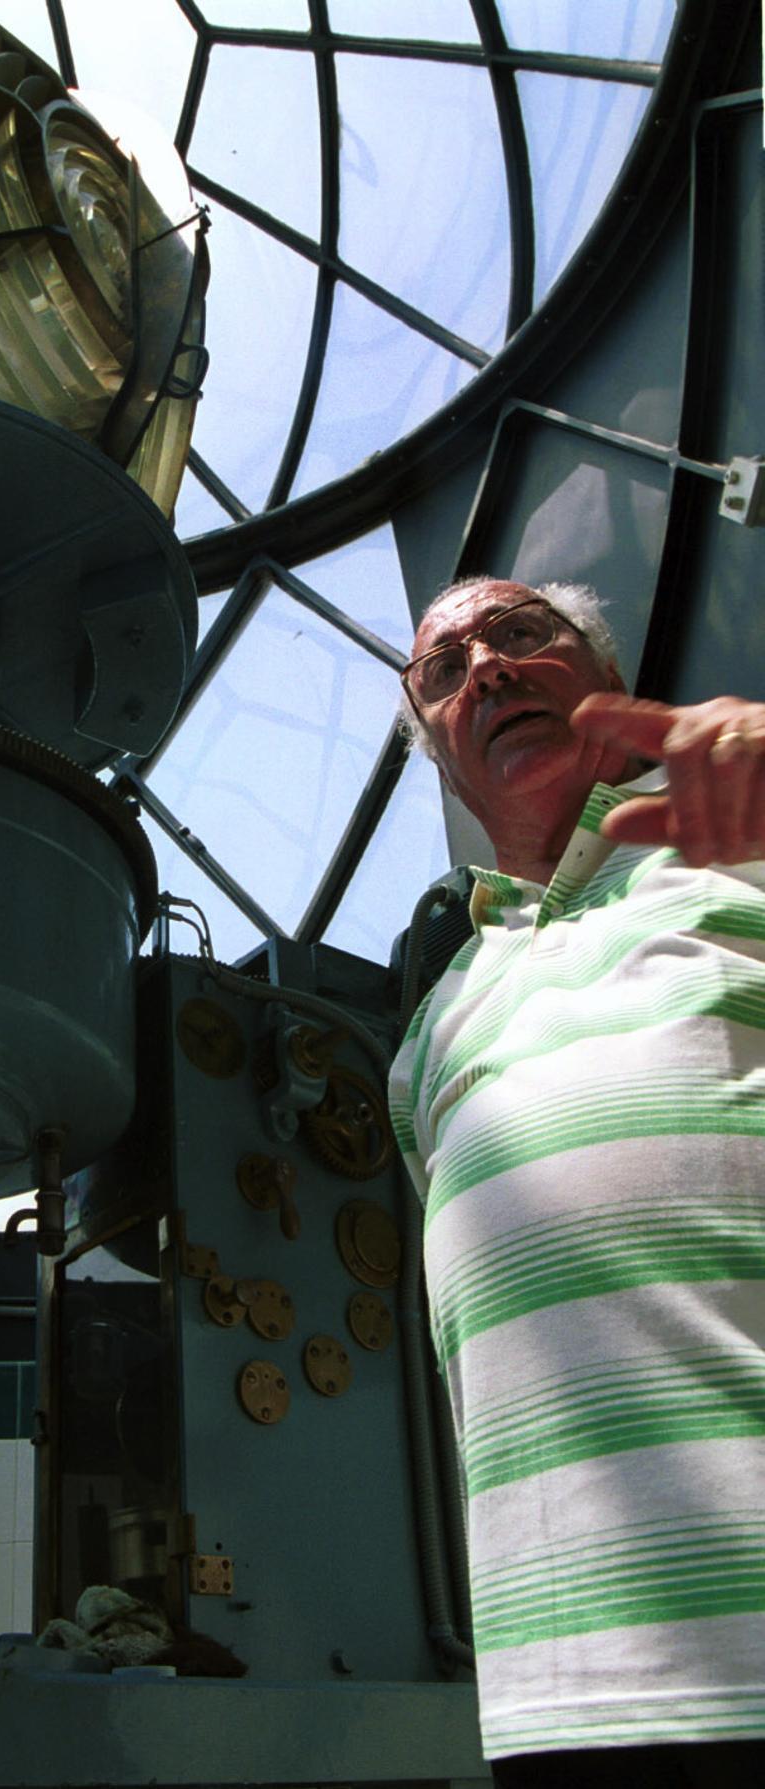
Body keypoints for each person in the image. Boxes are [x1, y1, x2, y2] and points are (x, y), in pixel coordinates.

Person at [387, 576, 765, 1789]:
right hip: (561, 1704)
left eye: (521, 635)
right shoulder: (430, 1032)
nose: (485, 668)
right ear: (443, 757)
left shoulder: (741, 845)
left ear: (608, 684)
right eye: (445, 670)